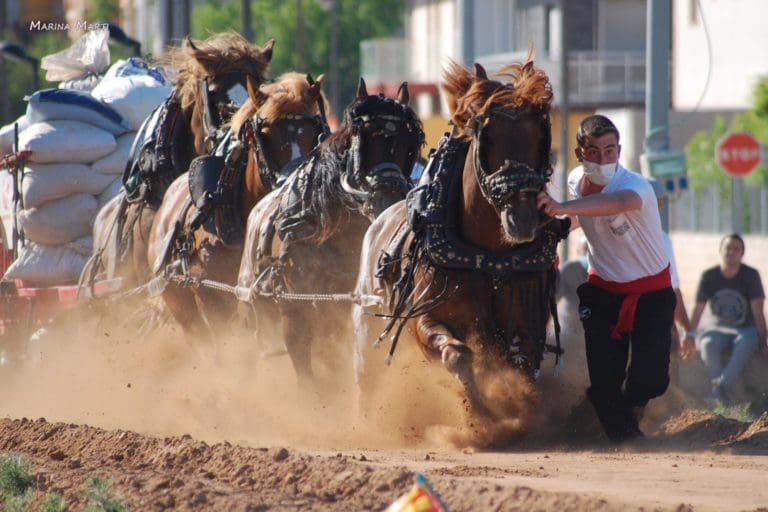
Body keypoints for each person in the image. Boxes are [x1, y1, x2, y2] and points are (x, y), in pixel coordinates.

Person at [537, 114, 676, 443]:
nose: (603, 158)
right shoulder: (574, 181)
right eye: (594, 151)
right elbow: (583, 215)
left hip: (651, 294)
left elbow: (612, 204)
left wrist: (562, 207)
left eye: (610, 150)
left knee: (651, 381)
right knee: (604, 380)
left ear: (619, 150)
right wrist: (558, 224)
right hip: (602, 293)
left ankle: (619, 411)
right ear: (579, 153)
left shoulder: (634, 187)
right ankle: (626, 441)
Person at [688, 233, 767, 404]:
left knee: (746, 342)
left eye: (736, 249)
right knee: (708, 343)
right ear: (721, 251)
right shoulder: (709, 276)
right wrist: (689, 335)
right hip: (717, 328)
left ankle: (718, 390)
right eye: (728, 248)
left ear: (742, 253)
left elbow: (758, 312)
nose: (731, 252)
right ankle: (721, 393)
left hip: (745, 329)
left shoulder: (751, 276)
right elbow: (698, 309)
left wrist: (763, 342)